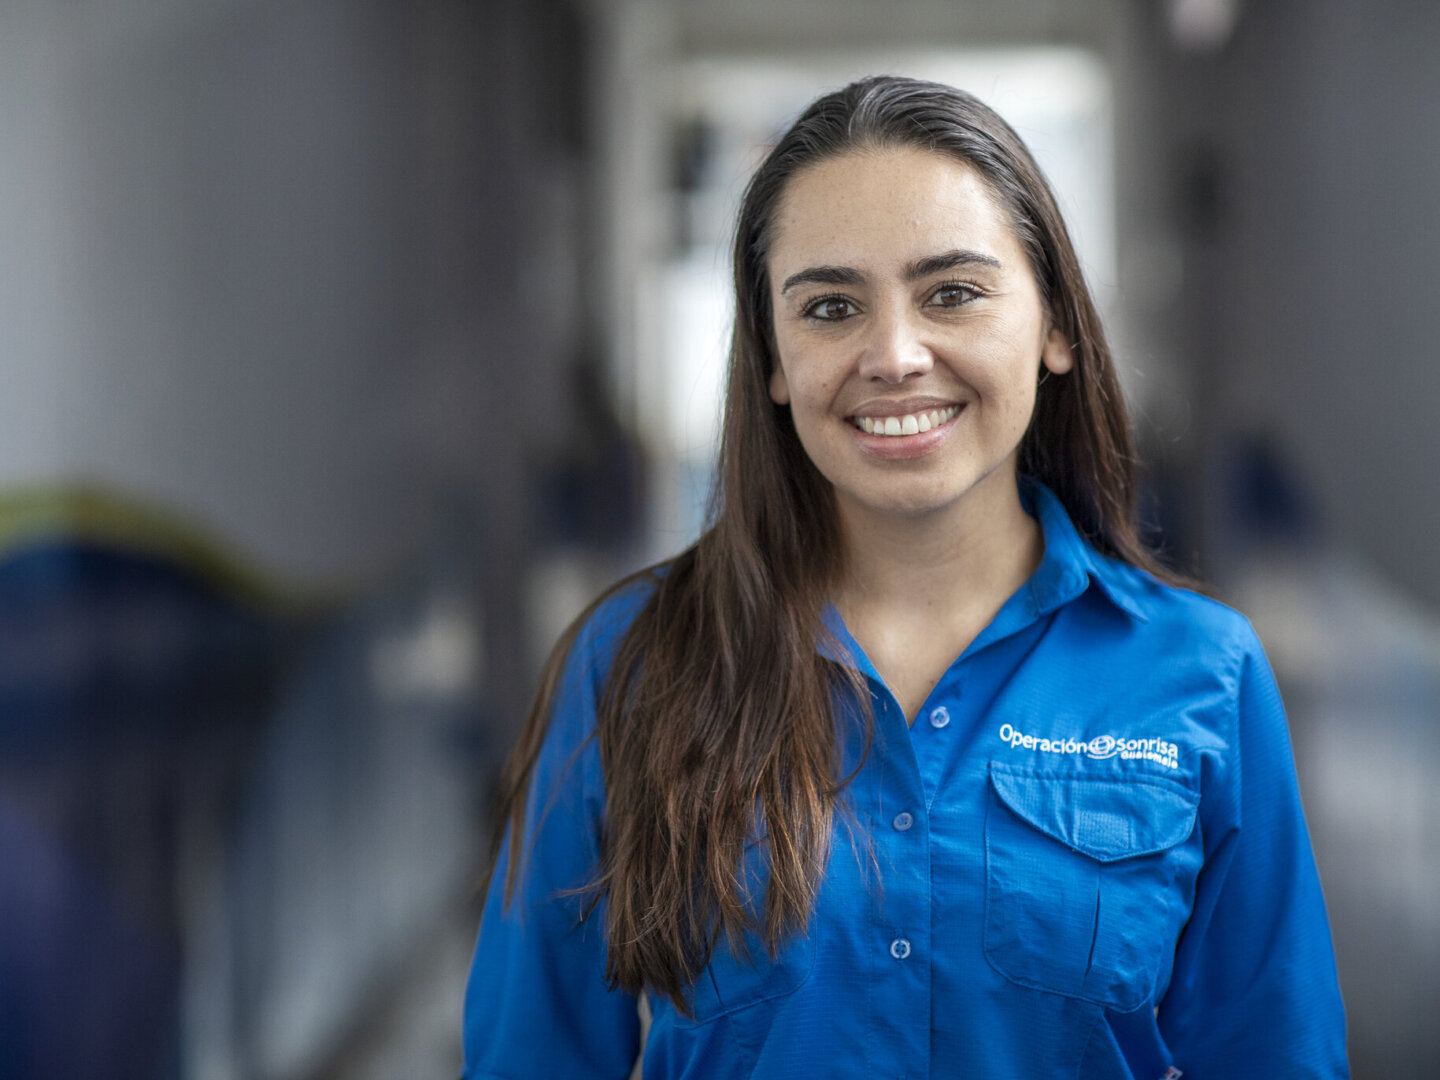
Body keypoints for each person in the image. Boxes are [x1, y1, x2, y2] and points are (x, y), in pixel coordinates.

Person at [461, 75, 1348, 1079]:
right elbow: (529, 1057)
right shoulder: (629, 663)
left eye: (953, 293)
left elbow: (1274, 1054)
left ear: (1056, 325)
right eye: (831, 306)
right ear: (775, 362)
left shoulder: (1204, 673)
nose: (893, 354)